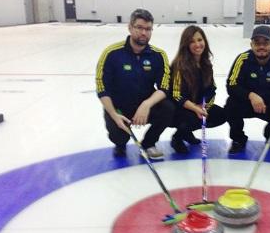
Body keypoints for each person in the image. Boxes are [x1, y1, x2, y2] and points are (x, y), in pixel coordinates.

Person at [95, 9, 174, 160]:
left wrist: (146, 104)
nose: (144, 33)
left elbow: (164, 87)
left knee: (168, 108)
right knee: (119, 137)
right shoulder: (111, 53)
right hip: (119, 108)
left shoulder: (159, 55)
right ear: (130, 27)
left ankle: (149, 143)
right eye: (139, 27)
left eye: (148, 29)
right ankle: (120, 143)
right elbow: (102, 87)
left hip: (145, 107)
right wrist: (114, 114)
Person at [225, 25, 270, 154]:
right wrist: (251, 95)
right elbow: (231, 85)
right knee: (231, 105)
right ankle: (238, 139)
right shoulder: (242, 59)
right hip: (248, 103)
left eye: (266, 43)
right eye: (257, 43)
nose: (261, 46)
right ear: (251, 44)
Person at [170, 25, 226, 154]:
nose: (197, 44)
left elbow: (212, 89)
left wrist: (205, 106)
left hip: (199, 106)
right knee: (192, 118)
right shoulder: (179, 65)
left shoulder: (206, 64)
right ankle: (178, 137)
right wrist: (195, 108)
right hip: (181, 108)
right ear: (185, 44)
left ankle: (186, 133)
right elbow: (176, 95)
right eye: (192, 41)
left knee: (222, 115)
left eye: (200, 40)